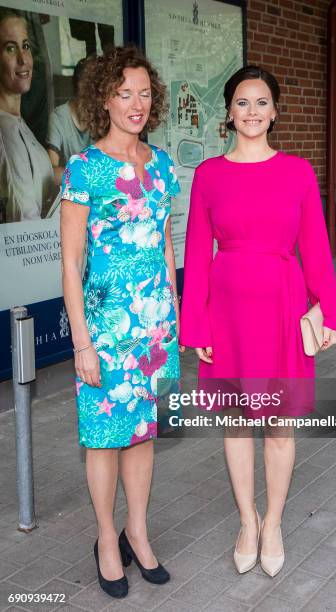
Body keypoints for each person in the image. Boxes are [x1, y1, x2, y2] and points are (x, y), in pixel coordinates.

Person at [179, 65, 336, 578]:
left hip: (282, 308)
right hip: (225, 313)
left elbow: (315, 245)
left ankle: (273, 522)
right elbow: (196, 253)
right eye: (243, 102)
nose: (252, 111)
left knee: (278, 423)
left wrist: (329, 308)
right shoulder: (208, 174)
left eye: (262, 102)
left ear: (275, 111)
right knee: (234, 424)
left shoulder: (296, 172)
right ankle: (245, 521)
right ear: (229, 112)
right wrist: (196, 326)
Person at [60, 45, 181, 598]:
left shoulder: (160, 165)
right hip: (106, 330)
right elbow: (69, 260)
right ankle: (107, 538)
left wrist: (175, 310)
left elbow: (165, 242)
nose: (136, 103)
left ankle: (138, 530)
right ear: (104, 99)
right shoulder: (85, 168)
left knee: (143, 432)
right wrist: (81, 342)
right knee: (105, 437)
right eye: (124, 92)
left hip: (156, 329)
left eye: (145, 93)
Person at [0, 8, 56, 222]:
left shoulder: (21, 126)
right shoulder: (4, 133)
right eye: (10, 49)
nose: (23, 59)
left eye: (25, 46)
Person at [46, 58, 92, 185]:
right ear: (80, 86)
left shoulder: (103, 116)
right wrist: (87, 176)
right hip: (70, 193)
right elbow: (51, 173)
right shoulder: (58, 117)